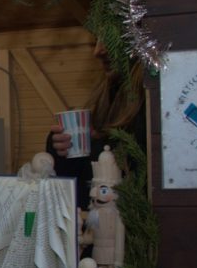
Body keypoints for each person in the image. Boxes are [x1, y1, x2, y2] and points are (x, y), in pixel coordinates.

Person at [47, 40, 146, 209]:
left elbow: (139, 178)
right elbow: (78, 195)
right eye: (96, 41)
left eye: (108, 37)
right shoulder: (106, 100)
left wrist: (97, 146)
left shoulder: (152, 106)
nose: (98, 51)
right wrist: (61, 150)